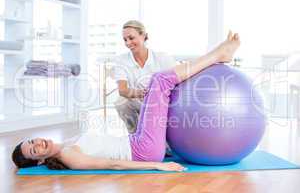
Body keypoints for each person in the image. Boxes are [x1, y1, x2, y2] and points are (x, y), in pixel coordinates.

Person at [12, 31, 240, 171]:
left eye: (32, 142)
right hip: (143, 151)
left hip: (135, 141)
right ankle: (218, 55)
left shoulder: (66, 144)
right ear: (40, 161)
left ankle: (216, 56)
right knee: (160, 80)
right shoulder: (68, 156)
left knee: (155, 82)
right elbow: (113, 164)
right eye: (34, 151)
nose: (38, 144)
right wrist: (157, 165)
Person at [114, 20, 177, 133]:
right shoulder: (121, 60)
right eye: (125, 40)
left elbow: (177, 81)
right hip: (138, 101)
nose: (128, 43)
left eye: (131, 38)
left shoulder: (163, 58)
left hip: (160, 103)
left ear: (143, 35)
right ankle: (136, 135)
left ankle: (164, 137)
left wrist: (155, 95)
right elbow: (122, 90)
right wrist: (142, 93)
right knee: (121, 102)